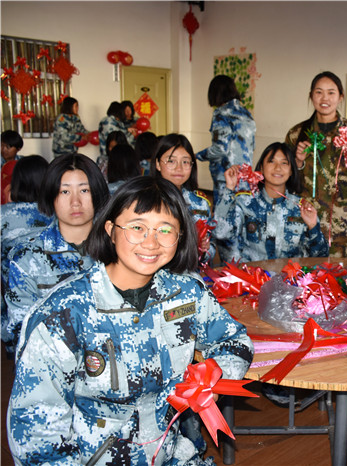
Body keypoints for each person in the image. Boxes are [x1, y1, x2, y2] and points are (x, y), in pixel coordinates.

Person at [7, 176, 253, 465]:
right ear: (110, 230)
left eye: (165, 230)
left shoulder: (187, 294)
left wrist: (209, 379)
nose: (151, 242)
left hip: (170, 454)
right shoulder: (63, 313)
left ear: (180, 237)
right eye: (137, 227)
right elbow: (36, 438)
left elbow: (234, 341)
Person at [4, 154, 109, 351]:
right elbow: (21, 329)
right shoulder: (27, 257)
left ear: (97, 194)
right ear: (51, 196)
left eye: (84, 190)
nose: (75, 202)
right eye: (64, 191)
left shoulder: (117, 249)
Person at [285, 71, 347, 257]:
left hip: (342, 223)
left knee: (340, 270)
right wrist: (298, 163)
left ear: (341, 97)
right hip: (306, 219)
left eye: (331, 92)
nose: (324, 98)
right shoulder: (297, 134)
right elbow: (285, 181)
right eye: (319, 92)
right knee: (305, 269)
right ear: (311, 96)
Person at [213, 142, 328, 263]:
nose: (278, 168)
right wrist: (229, 189)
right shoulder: (245, 203)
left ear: (291, 171)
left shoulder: (301, 208)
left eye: (284, 163)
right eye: (271, 161)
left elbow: (321, 256)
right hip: (252, 273)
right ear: (261, 168)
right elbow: (220, 233)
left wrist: (313, 227)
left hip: (289, 274)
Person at [0, 155, 51, 351]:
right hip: (62, 309)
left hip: (17, 308)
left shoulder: (4, 216)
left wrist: (4, 326)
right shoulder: (59, 213)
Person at [153, 133, 215, 265]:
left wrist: (204, 250)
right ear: (158, 164)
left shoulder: (200, 204)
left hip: (191, 272)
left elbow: (212, 250)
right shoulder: (146, 200)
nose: (179, 168)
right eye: (171, 161)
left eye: (185, 162)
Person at [196, 74, 256, 207]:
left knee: (223, 212)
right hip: (245, 175)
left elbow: (220, 149)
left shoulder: (221, 114)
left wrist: (197, 155)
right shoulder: (246, 113)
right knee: (242, 211)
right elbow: (252, 146)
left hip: (227, 176)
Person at [98, 101, 136, 172]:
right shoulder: (108, 121)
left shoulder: (118, 122)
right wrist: (132, 136)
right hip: (109, 158)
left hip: (119, 158)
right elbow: (118, 140)